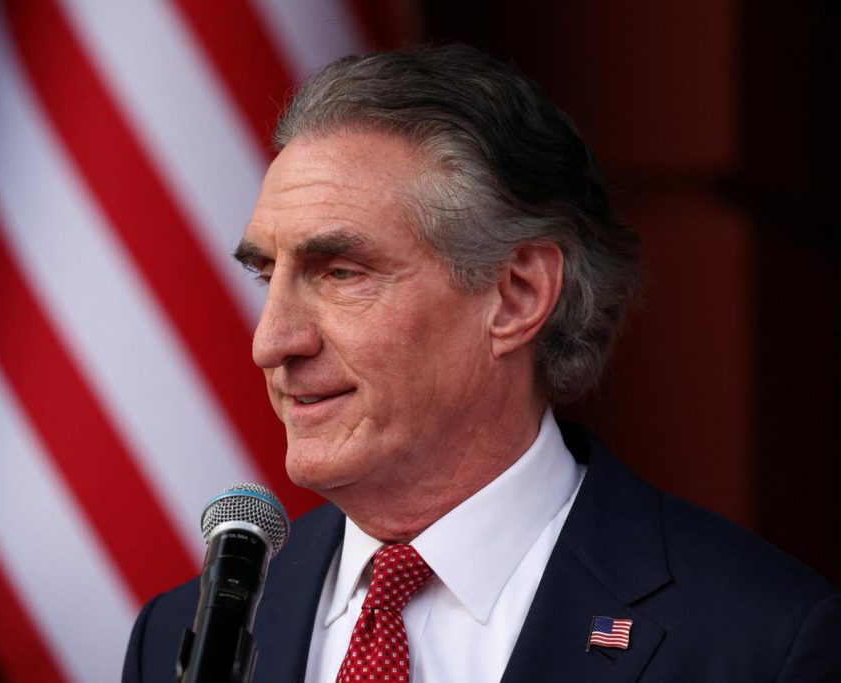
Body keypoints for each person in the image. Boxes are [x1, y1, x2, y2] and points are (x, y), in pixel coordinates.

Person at [123, 44, 841, 682]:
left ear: (517, 296)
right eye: (265, 275)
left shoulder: (761, 640)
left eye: (340, 272)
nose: (271, 341)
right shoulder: (177, 635)